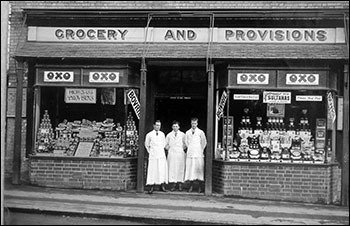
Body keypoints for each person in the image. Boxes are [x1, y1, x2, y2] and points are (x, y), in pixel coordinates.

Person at [145, 120, 168, 194]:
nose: (158, 127)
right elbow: (147, 145)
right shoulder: (149, 134)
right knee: (153, 170)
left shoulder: (162, 134)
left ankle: (162, 185)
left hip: (161, 155)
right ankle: (152, 186)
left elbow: (164, 144)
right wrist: (151, 152)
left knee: (161, 170)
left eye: (159, 125)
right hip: (153, 155)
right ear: (154, 125)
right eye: (157, 125)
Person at [184, 117, 207, 193]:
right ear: (191, 123)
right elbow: (186, 142)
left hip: (198, 154)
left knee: (198, 170)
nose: (193, 125)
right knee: (191, 170)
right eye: (192, 123)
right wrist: (190, 148)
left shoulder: (200, 132)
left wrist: (200, 150)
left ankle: (200, 187)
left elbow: (204, 142)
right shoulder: (187, 132)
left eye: (195, 123)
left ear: (197, 124)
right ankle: (191, 186)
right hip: (190, 154)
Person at [165, 121, 186, 191]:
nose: (175, 128)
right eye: (174, 126)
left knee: (180, 168)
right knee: (172, 168)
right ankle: (173, 184)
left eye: (176, 126)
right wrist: (170, 149)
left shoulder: (183, 135)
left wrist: (181, 149)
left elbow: (186, 144)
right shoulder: (169, 135)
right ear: (172, 127)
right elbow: (165, 144)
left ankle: (180, 184)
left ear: (179, 127)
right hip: (172, 154)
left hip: (180, 154)